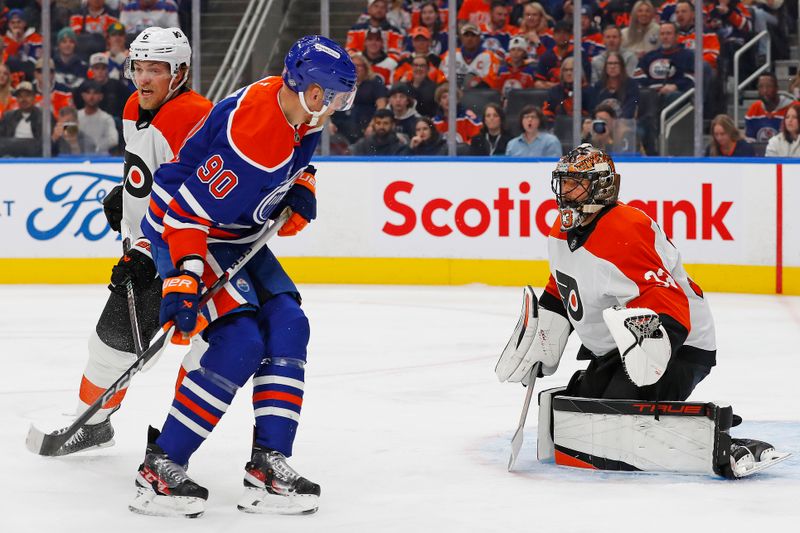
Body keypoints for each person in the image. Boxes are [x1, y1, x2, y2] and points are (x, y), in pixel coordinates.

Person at [130, 34, 357, 518]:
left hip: (231, 228)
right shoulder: (254, 141)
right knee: (239, 343)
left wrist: (300, 184)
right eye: (335, 96)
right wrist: (183, 278)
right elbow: (186, 215)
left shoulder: (296, 110)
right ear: (313, 92)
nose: (339, 106)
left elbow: (292, 162)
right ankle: (158, 470)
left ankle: (268, 468)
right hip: (188, 229)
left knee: (290, 325)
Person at [495, 143, 777, 478]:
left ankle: (724, 445)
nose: (566, 191)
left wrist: (651, 356)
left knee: (617, 430)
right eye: (564, 181)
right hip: (621, 346)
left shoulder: (625, 228)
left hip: (681, 344)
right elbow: (561, 288)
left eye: (576, 182)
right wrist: (544, 341)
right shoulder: (560, 231)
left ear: (601, 186)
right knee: (573, 424)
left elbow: (667, 300)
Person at [46, 27, 212, 457]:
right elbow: (152, 169)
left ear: (180, 72)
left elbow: (200, 196)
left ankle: (175, 444)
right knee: (111, 346)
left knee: (208, 350)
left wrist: (147, 249)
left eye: (155, 69)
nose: (143, 78)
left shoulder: (194, 115)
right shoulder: (133, 105)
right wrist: (129, 192)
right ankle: (94, 424)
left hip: (186, 257)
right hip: (145, 250)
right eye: (138, 67)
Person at [331, 52, 388, 144]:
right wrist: (328, 123)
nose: (355, 68)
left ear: (366, 68)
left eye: (359, 66)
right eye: (352, 65)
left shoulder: (374, 83)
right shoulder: (339, 84)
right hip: (340, 129)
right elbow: (327, 105)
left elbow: (381, 106)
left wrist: (373, 125)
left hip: (365, 127)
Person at [744, 73, 794, 143]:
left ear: (777, 88)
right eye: (761, 86)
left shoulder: (794, 107)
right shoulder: (754, 109)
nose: (765, 90)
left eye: (769, 86)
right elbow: (750, 142)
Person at [593, 51, 640, 119]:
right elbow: (594, 107)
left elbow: (633, 104)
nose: (612, 66)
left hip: (625, 123)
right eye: (610, 63)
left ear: (622, 66)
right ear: (605, 67)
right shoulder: (599, 86)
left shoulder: (631, 84)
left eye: (616, 63)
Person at [0, 80, 42, 156]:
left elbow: (47, 144)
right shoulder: (8, 116)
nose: (23, 99)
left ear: (34, 98)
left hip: (36, 158)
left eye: (27, 95)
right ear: (16, 99)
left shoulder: (43, 117)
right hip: (10, 157)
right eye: (20, 96)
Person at [76, 79, 119, 154]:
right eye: (88, 93)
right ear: (83, 95)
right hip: (78, 159)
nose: (91, 97)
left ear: (101, 96)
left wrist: (96, 146)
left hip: (101, 161)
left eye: (95, 93)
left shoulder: (106, 118)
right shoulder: (76, 117)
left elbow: (114, 139)